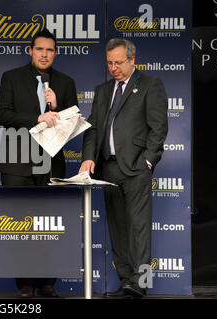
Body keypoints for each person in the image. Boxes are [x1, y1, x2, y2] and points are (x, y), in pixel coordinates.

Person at [79, 38, 168, 298]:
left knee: (139, 228)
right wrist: (88, 157)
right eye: (109, 63)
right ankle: (126, 282)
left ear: (132, 60)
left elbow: (158, 128)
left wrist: (148, 162)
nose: (113, 67)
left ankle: (140, 284)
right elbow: (93, 128)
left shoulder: (151, 85)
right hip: (108, 169)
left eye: (118, 62)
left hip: (137, 168)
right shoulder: (103, 90)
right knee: (118, 229)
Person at [0, 29, 78, 298]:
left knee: (50, 225)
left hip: (52, 162)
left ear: (55, 53)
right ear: (30, 50)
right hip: (16, 161)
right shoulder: (11, 77)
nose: (44, 54)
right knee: (21, 225)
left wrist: (58, 107)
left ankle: (47, 282)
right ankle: (25, 283)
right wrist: (38, 117)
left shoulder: (66, 82)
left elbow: (73, 122)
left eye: (50, 50)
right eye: (39, 49)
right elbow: (2, 116)